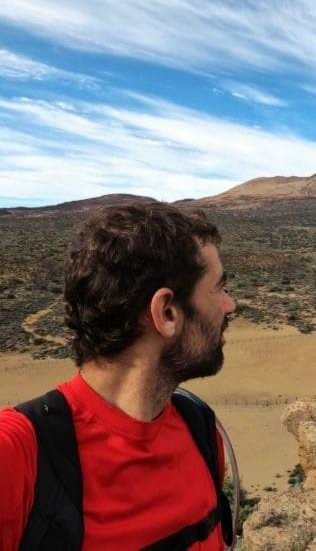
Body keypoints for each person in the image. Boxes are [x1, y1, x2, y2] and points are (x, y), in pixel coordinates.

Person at [0, 202, 237, 550]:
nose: (230, 305)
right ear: (166, 312)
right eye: (218, 288)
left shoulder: (202, 431)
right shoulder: (17, 456)